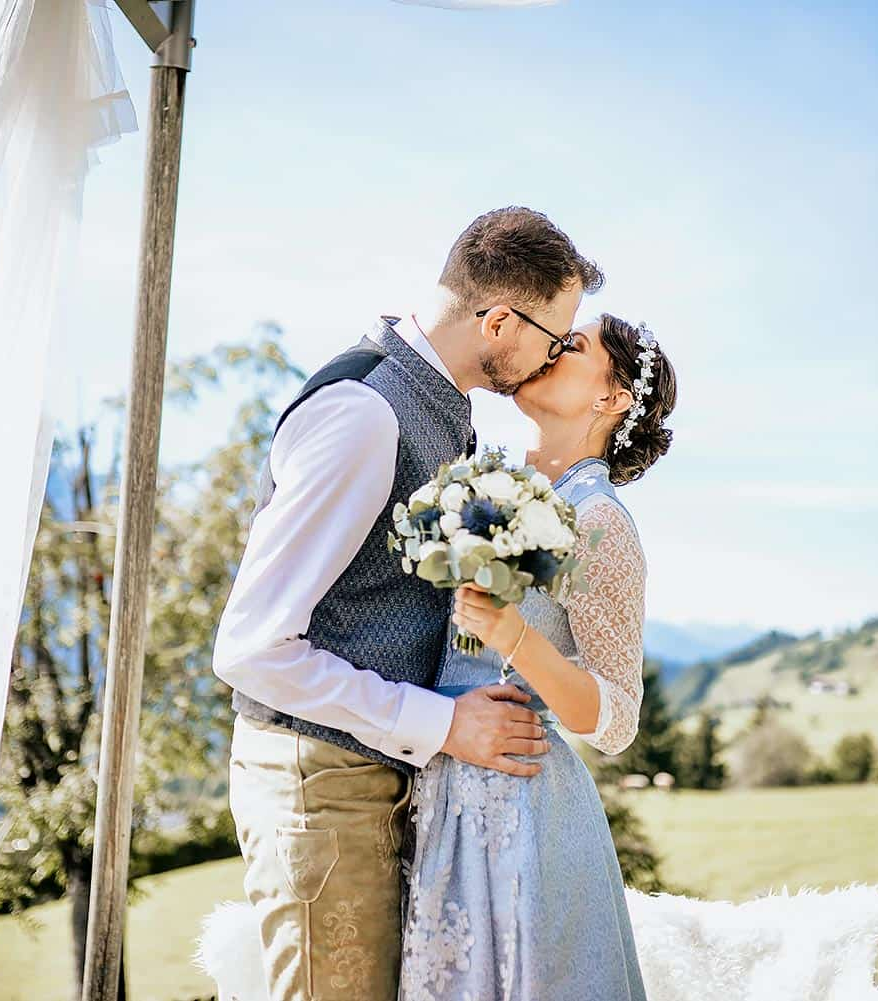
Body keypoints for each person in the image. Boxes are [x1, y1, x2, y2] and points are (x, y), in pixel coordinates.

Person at [212, 206, 605, 1001]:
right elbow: (252, 649)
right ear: (499, 320)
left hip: (371, 777)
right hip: (318, 785)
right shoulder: (364, 413)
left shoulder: (439, 406)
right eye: (553, 337)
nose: (554, 355)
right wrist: (448, 724)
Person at [398, 313, 677, 1001]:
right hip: (437, 793)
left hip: (525, 815)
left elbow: (614, 721)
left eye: (573, 345)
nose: (552, 347)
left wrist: (515, 637)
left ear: (612, 400)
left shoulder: (601, 522)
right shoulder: (478, 487)